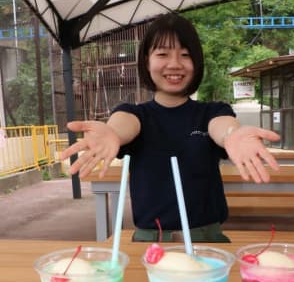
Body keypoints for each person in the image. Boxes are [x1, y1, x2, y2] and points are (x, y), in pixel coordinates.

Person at [61, 13, 280, 243]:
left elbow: (223, 128)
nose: (174, 64)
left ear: (196, 62)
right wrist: (111, 133)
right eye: (162, 54)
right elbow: (122, 125)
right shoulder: (135, 115)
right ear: (147, 61)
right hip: (150, 243)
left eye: (185, 55)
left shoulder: (212, 113)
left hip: (207, 240)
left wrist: (232, 135)